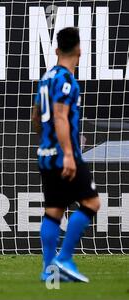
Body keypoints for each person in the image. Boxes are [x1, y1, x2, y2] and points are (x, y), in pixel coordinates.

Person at [32, 27, 100, 282]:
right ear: (80, 50)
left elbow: (37, 116)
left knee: (54, 210)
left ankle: (49, 270)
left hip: (46, 153)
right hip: (64, 154)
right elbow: (60, 116)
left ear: (57, 50)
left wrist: (47, 142)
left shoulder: (47, 77)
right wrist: (69, 154)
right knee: (92, 203)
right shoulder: (65, 80)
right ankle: (64, 258)